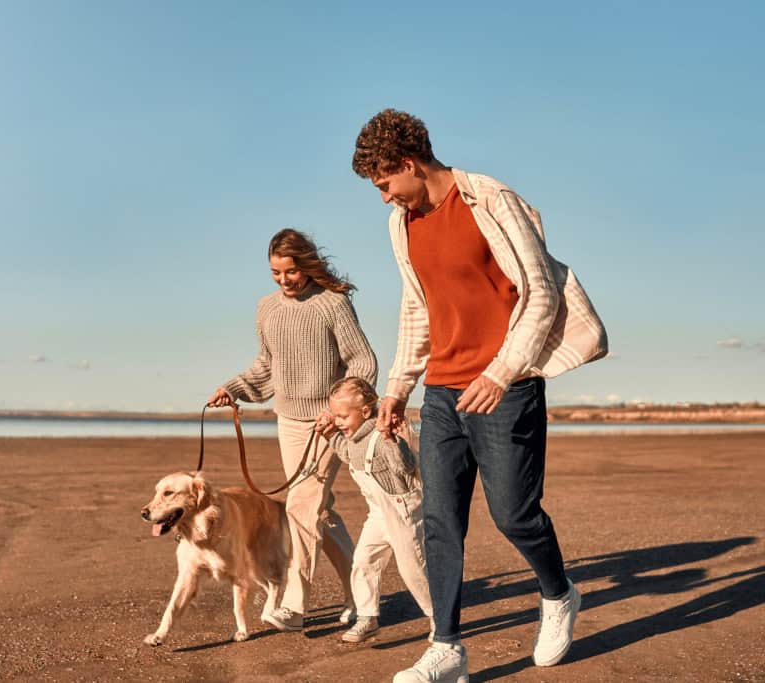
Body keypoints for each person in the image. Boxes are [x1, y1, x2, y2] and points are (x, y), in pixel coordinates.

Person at [351, 109, 608, 682]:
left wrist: (501, 372)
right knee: (440, 520)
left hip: (506, 387)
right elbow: (417, 307)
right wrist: (397, 387)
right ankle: (447, 648)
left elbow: (540, 292)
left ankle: (559, 593)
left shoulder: (491, 200)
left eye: (386, 184)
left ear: (410, 164)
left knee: (515, 515)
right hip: (442, 391)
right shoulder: (403, 224)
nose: (386, 198)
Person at [207, 228, 378, 631]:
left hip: (328, 424)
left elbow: (363, 363)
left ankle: (294, 606)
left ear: (307, 264)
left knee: (302, 508)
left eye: (291, 271)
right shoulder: (267, 308)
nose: (284, 280)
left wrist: (338, 412)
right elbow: (267, 368)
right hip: (290, 421)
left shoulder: (332, 304)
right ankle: (361, 591)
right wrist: (232, 388)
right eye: (275, 272)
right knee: (319, 510)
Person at [315, 376, 433, 644]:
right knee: (363, 561)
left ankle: (439, 617)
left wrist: (391, 440)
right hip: (378, 513)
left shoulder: (380, 437)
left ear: (365, 412)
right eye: (336, 416)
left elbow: (404, 465)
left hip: (402, 512)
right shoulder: (353, 437)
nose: (339, 421)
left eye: (343, 416)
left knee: (414, 569)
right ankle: (367, 617)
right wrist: (330, 434)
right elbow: (346, 453)